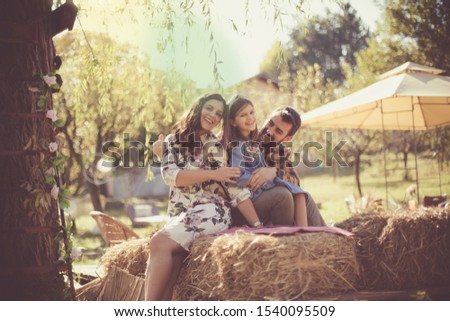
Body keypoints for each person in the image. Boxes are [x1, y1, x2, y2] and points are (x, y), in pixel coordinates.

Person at [144, 93, 261, 301]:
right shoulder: (174, 141)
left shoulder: (215, 147)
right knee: (173, 264)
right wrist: (211, 173)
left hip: (211, 211)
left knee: (159, 243)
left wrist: (257, 225)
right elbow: (172, 176)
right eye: (209, 108)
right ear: (198, 108)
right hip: (180, 213)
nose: (213, 115)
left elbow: (234, 190)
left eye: (218, 113)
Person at [230, 100, 327, 227]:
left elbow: (295, 182)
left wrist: (274, 172)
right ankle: (298, 236)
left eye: (278, 131)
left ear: (287, 139)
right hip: (246, 204)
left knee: (304, 197)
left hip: (267, 200)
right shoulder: (248, 136)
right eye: (270, 123)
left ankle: (320, 235)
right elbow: (237, 180)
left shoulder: (279, 153)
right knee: (283, 195)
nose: (270, 131)